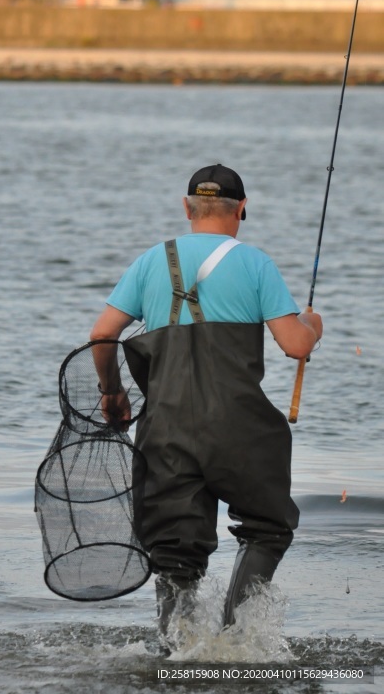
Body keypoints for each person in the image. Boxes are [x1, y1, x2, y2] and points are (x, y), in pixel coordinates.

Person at [90, 164, 322, 639]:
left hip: (166, 429)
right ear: (242, 210)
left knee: (175, 549)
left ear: (186, 208)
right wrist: (313, 325)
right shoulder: (255, 263)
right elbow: (295, 345)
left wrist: (112, 392)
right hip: (241, 429)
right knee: (267, 528)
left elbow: (102, 335)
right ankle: (236, 641)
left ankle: (176, 651)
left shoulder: (152, 260)